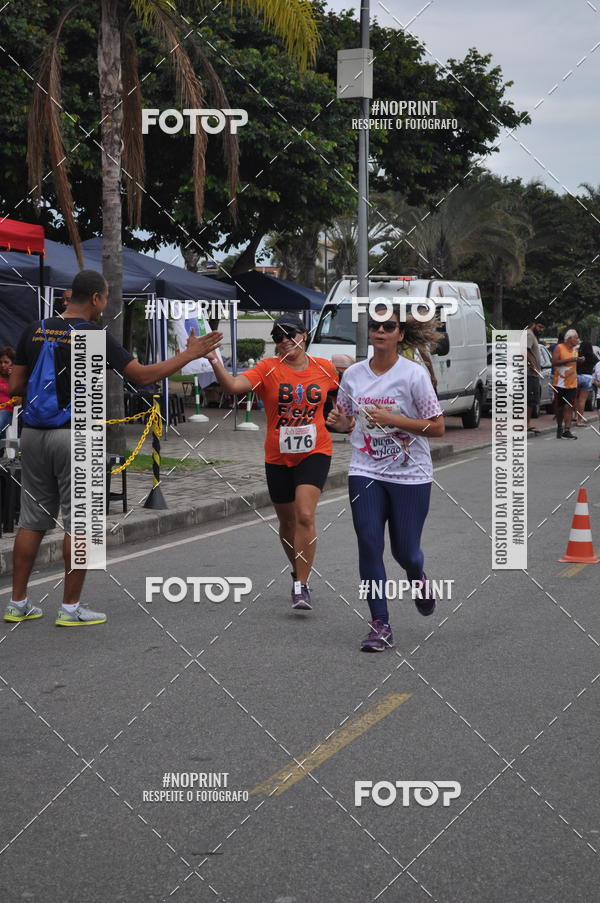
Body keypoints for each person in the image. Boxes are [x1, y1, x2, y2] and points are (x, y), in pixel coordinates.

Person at [4, 269, 222, 627]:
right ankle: (70, 608)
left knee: (31, 521)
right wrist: (189, 354)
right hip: (77, 435)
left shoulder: (36, 328)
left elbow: (16, 383)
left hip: (33, 433)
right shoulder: (95, 336)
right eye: (104, 297)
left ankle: (18, 603)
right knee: (81, 523)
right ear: (95, 299)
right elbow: (143, 376)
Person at [327, 308, 444, 652]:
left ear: (399, 333)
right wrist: (337, 421)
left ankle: (418, 579)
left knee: (405, 552)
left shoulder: (413, 376)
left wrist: (393, 418)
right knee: (368, 544)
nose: (379, 330)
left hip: (410, 473)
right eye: (374, 325)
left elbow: (436, 427)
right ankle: (380, 624)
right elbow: (346, 422)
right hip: (366, 469)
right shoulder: (353, 375)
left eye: (387, 326)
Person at [205, 313, 338, 610]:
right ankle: (297, 571)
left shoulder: (325, 368)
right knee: (287, 522)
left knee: (305, 514)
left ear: (304, 334)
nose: (284, 341)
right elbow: (233, 387)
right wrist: (214, 360)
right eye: (277, 337)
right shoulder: (268, 369)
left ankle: (301, 585)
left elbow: (343, 400)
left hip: (315, 450)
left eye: (289, 334)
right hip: (277, 455)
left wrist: (346, 421)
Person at [552, 328, 581, 439]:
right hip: (560, 383)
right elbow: (554, 363)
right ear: (570, 338)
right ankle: (559, 426)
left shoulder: (575, 349)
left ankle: (567, 430)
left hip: (572, 383)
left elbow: (575, 362)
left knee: (568, 406)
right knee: (560, 408)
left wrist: (579, 360)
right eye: (576, 337)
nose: (578, 340)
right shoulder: (559, 348)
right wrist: (570, 359)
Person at [526, 320, 544, 433]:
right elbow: (525, 350)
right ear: (533, 324)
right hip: (529, 373)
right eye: (540, 327)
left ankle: (527, 423)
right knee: (530, 400)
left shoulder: (532, 335)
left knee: (532, 400)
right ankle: (526, 424)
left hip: (533, 374)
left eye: (543, 328)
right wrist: (532, 365)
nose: (541, 330)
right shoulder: (529, 334)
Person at [574, 340, 598, 426]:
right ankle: (579, 420)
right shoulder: (593, 356)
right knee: (582, 400)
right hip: (587, 378)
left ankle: (574, 416)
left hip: (576, 377)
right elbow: (597, 365)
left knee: (575, 398)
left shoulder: (578, 354)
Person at [0, 346, 17, 440]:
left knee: (1, 417)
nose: (2, 365)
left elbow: (19, 402)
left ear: (12, 364)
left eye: (6, 362)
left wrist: (13, 377)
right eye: (0, 362)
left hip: (8, 411)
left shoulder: (16, 380)